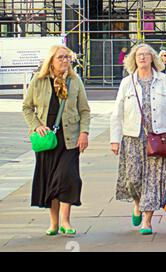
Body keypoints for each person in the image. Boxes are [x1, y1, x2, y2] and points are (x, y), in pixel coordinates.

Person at [110, 43, 166, 235]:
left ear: (153, 58)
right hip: (132, 138)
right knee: (133, 179)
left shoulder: (164, 81)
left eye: (146, 55)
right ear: (133, 60)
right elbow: (117, 112)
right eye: (139, 55)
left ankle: (147, 220)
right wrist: (114, 138)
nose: (143, 58)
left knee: (153, 180)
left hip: (158, 137)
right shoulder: (127, 83)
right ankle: (138, 204)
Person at [23, 45, 90, 236]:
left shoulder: (75, 82)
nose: (65, 61)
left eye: (68, 57)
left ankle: (66, 221)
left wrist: (84, 132)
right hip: (47, 140)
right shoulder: (39, 80)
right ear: (51, 60)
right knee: (51, 181)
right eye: (61, 57)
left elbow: (84, 110)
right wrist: (36, 126)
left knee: (67, 178)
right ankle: (54, 223)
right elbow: (27, 108)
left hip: (70, 138)